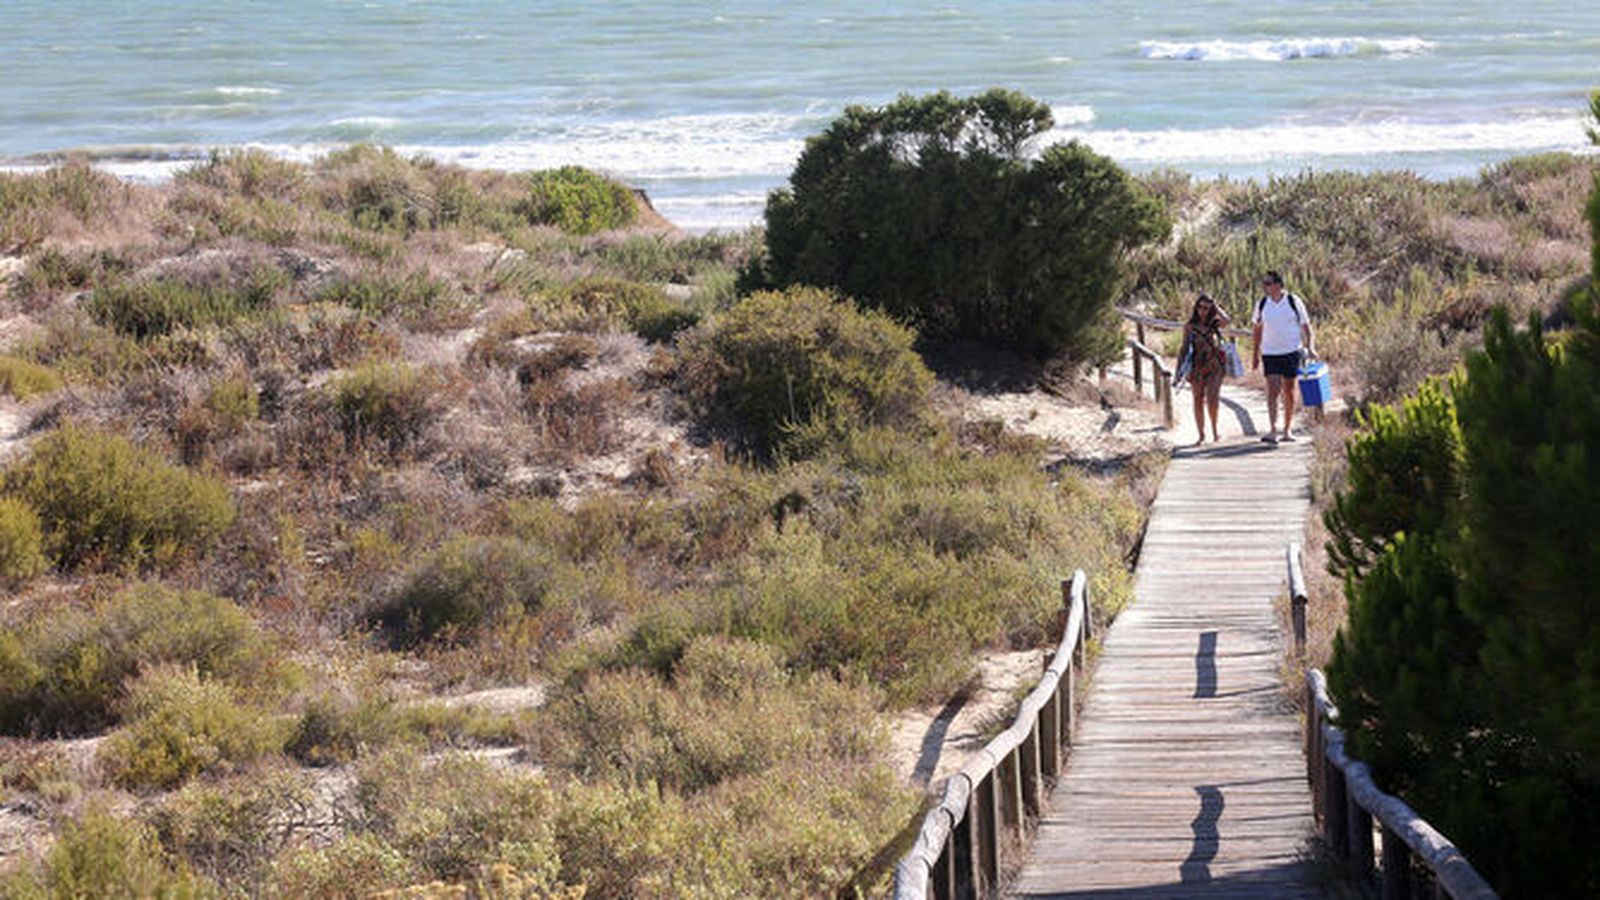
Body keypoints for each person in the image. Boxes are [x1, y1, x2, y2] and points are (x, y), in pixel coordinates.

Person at [1250, 271, 1316, 443]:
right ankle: (1273, 429)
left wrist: (1311, 346)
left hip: (1291, 351)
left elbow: (1307, 326)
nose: (1265, 286)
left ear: (1278, 285)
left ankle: (1287, 430)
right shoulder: (1263, 303)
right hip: (1270, 353)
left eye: (1268, 283)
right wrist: (1255, 354)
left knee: (1289, 391)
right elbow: (1257, 329)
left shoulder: (1294, 301)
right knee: (1272, 390)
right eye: (1264, 283)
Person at [1181, 293, 1230, 444]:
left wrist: (1215, 305)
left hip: (1214, 365)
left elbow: (1227, 320)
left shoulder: (1214, 324)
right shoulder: (1190, 326)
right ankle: (1201, 434)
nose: (1203, 310)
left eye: (1207, 308)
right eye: (1200, 307)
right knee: (1197, 399)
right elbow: (1183, 348)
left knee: (1213, 398)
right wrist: (1182, 371)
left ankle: (1215, 431)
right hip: (1197, 366)